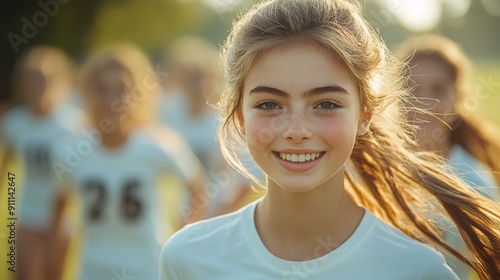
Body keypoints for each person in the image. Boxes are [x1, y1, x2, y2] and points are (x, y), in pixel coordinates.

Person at [160, 1, 500, 280]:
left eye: (326, 104)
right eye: (269, 104)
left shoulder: (416, 271)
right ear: (240, 118)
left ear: (364, 115)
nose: (296, 130)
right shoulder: (187, 259)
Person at [53, 44, 207, 280]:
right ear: (87, 92)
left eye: (122, 89)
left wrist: (181, 235)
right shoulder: (71, 150)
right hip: (93, 268)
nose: (112, 100)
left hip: (147, 267)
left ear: (138, 94)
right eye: (102, 89)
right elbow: (60, 210)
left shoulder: (156, 144)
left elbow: (196, 185)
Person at [398, 34, 500, 279]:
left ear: (457, 102)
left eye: (439, 89)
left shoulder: (474, 183)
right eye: (412, 88)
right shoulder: (368, 170)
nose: (423, 102)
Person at [0, 45, 81, 280]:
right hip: (27, 213)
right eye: (31, 80)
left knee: (52, 275)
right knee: (22, 274)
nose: (38, 87)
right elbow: (6, 169)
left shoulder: (72, 123)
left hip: (62, 218)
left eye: (44, 80)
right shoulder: (15, 122)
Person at [159, 36, 254, 218]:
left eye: (203, 78)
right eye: (192, 78)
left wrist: (225, 211)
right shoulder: (171, 113)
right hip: (181, 207)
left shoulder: (223, 120)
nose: (198, 85)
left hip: (217, 206)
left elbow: (239, 173)